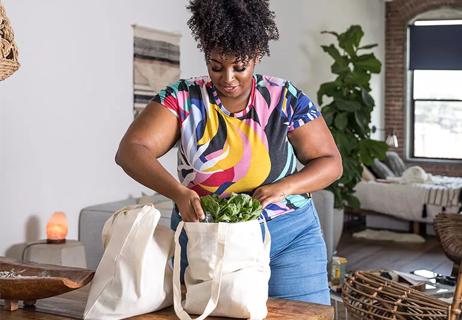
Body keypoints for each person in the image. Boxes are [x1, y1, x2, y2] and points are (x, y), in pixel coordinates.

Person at [115, 0, 342, 305]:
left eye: (240, 67)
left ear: (257, 56)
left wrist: (283, 187)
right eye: (216, 66)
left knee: (304, 313)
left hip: (288, 237)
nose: (228, 78)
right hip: (204, 241)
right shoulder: (181, 99)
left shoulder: (285, 98)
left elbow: (330, 163)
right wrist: (179, 193)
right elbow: (131, 150)